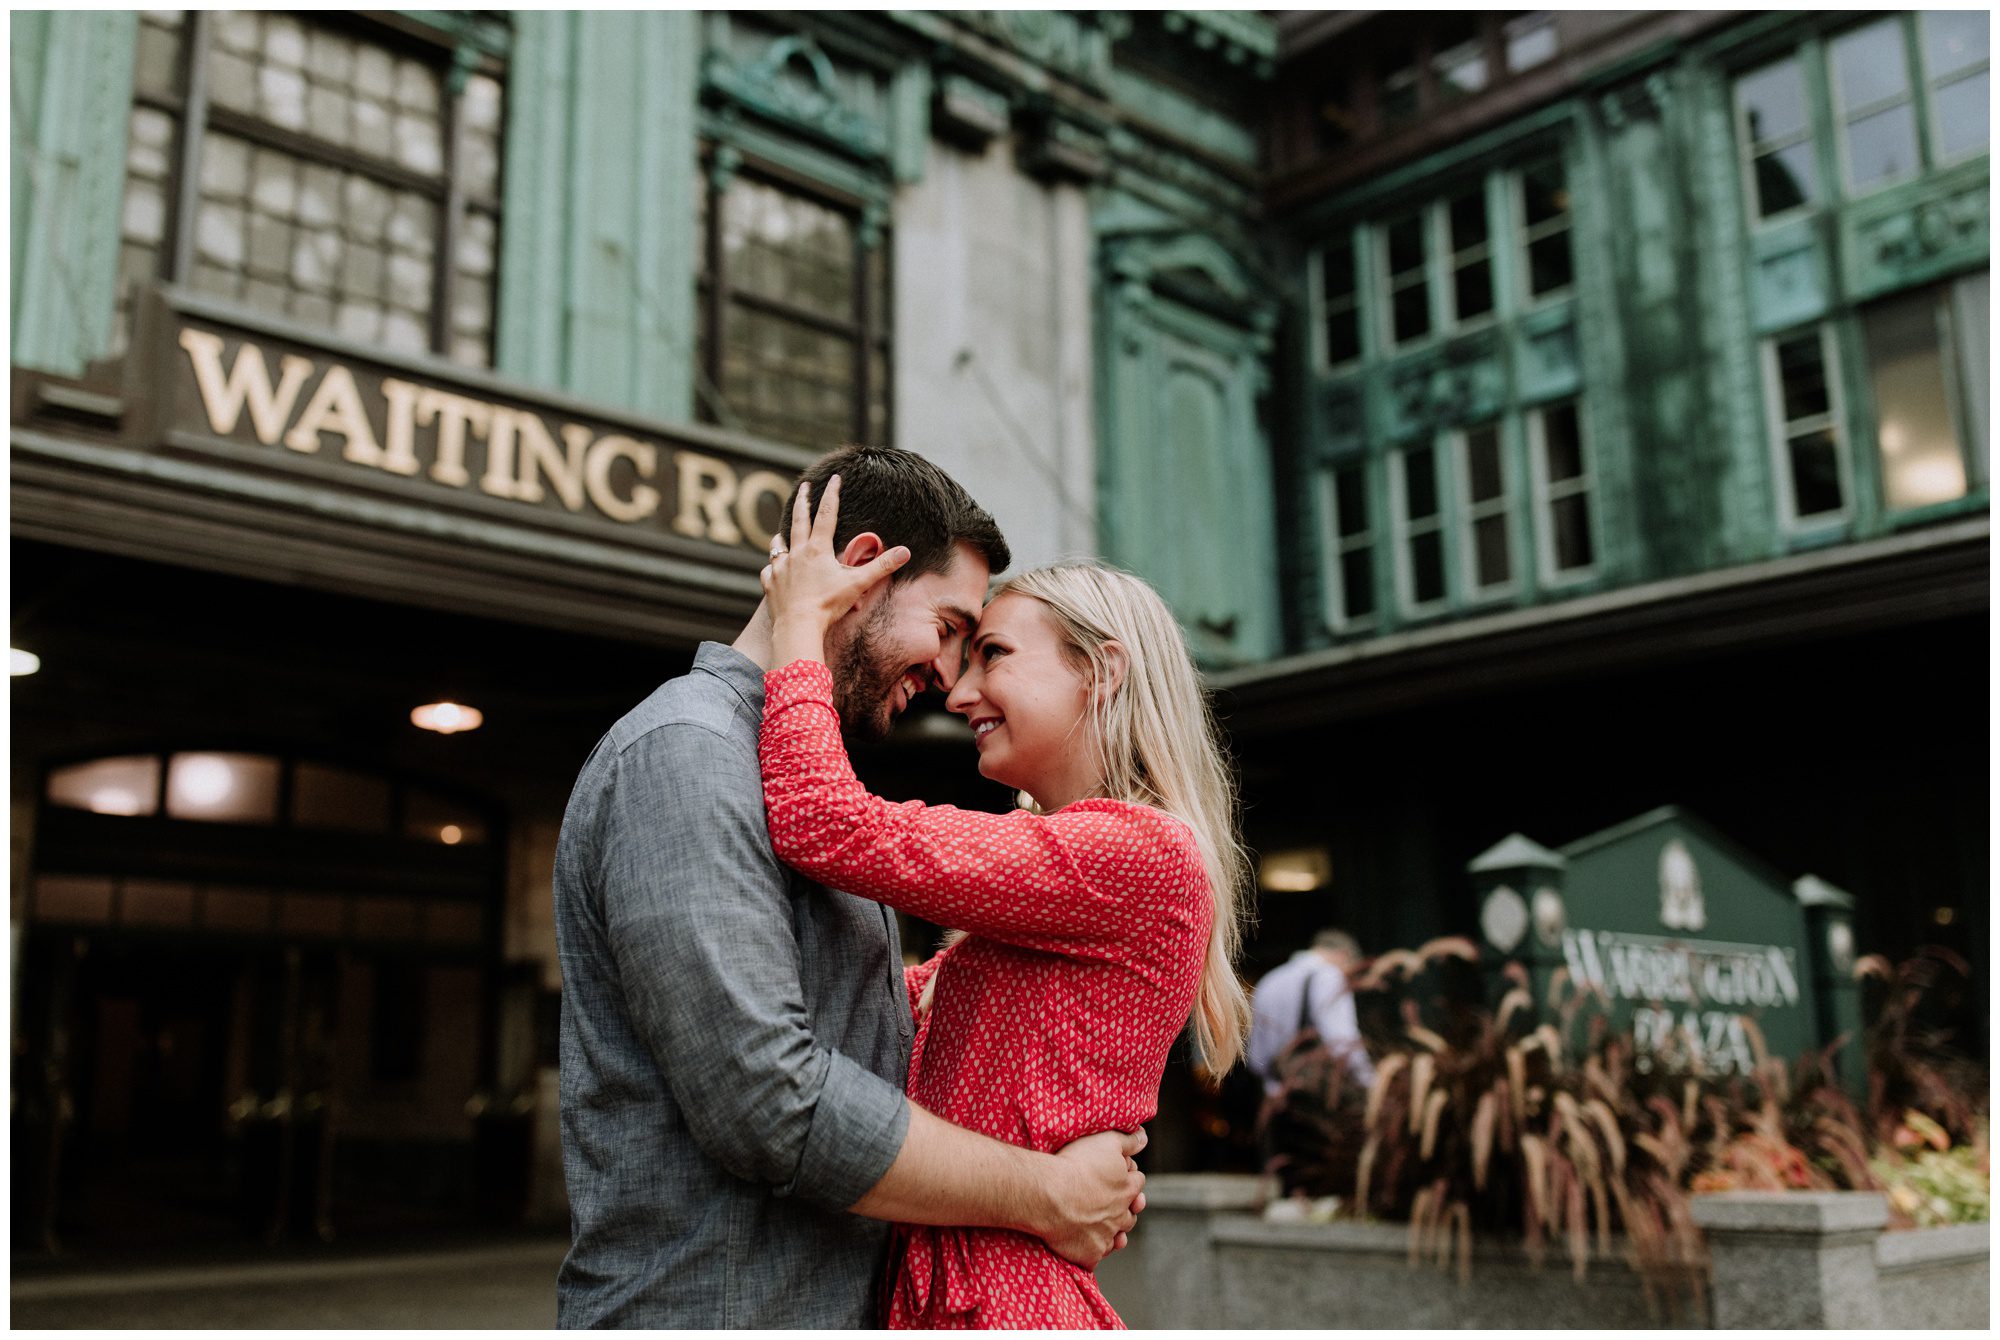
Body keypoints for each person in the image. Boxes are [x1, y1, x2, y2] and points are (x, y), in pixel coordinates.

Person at [553, 447, 1147, 1329]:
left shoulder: (795, 772)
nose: (951, 679)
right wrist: (1048, 1192)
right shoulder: (686, 751)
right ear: (862, 568)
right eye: (948, 628)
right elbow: (768, 1101)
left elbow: (869, 1037)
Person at [756, 479, 1253, 1328]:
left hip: (1002, 1300)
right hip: (967, 1290)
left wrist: (798, 623)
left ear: (1101, 671)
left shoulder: (1137, 852)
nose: (958, 690)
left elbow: (821, 821)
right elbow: (881, 1016)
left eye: (994, 655)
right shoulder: (1079, 871)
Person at [1246, 928, 1377, 1097]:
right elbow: (1342, 1040)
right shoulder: (1328, 976)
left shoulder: (1270, 979)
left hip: (1269, 1094)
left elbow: (1255, 1055)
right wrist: (1369, 1082)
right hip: (1308, 1097)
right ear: (1344, 955)